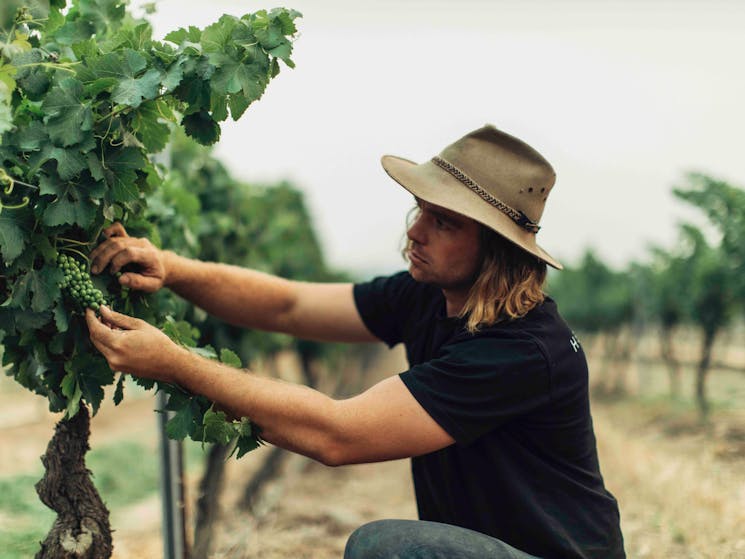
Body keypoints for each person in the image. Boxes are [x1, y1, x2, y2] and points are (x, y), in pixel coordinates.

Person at [86, 125, 625, 559]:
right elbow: (288, 306)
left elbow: (337, 436)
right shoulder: (430, 295)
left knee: (385, 549)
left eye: (443, 223)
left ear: (496, 250)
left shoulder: (520, 350)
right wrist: (172, 268)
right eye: (421, 211)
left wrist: (175, 364)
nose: (416, 231)